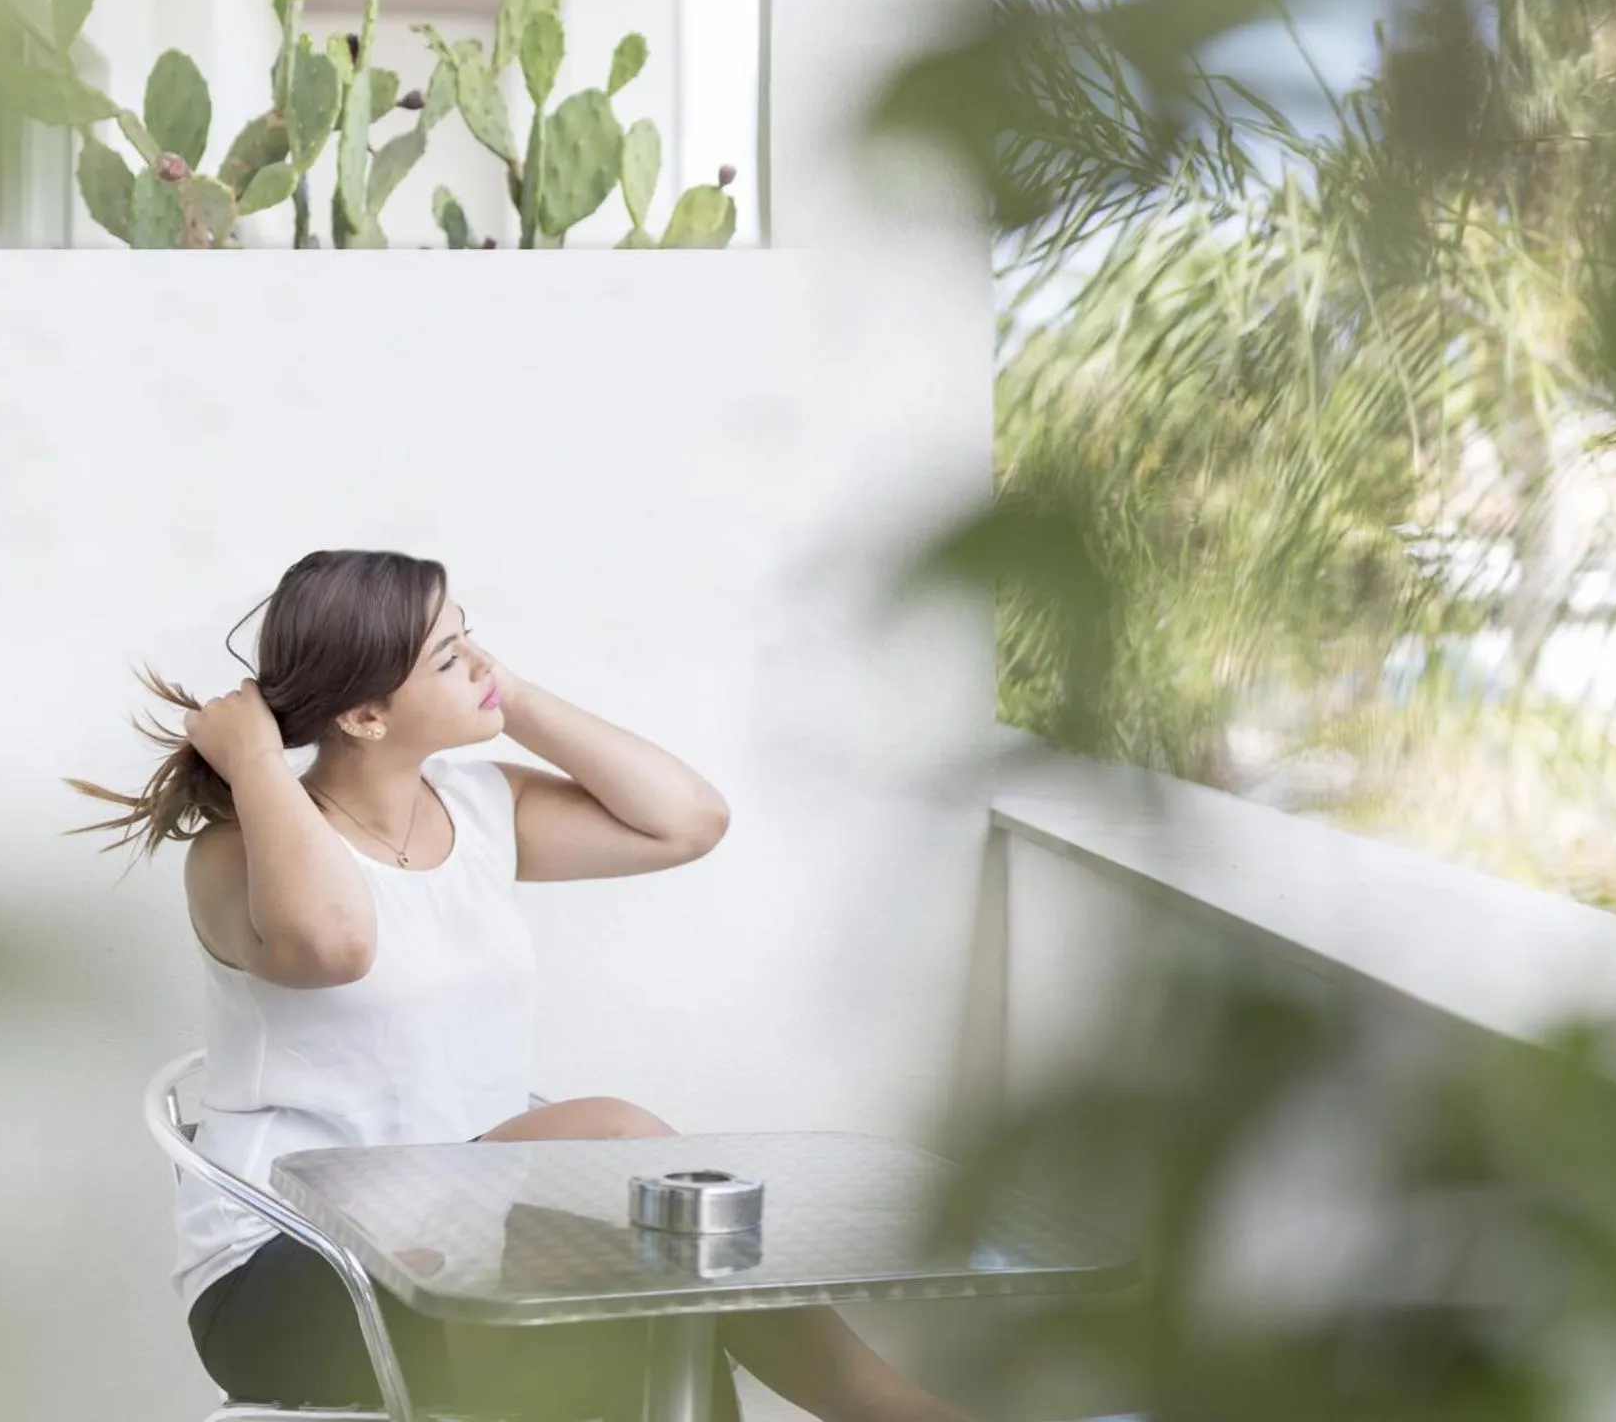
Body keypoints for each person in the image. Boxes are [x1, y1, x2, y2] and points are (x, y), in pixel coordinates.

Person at [71, 548, 960, 1422]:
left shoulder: (482, 807)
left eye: (472, 639)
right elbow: (336, 946)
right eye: (450, 658)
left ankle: (881, 1407)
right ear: (369, 717)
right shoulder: (238, 852)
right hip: (300, 1266)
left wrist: (515, 702)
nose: (483, 667)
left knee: (651, 1267)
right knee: (618, 1142)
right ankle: (884, 1408)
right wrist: (260, 763)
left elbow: (689, 821)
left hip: (475, 1236)